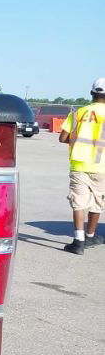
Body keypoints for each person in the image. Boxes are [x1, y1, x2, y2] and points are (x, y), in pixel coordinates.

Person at [58, 78, 105, 254]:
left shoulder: (78, 113)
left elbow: (62, 138)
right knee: (97, 202)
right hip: (102, 166)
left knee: (79, 203)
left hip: (79, 164)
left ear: (92, 93)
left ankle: (78, 242)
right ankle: (91, 236)